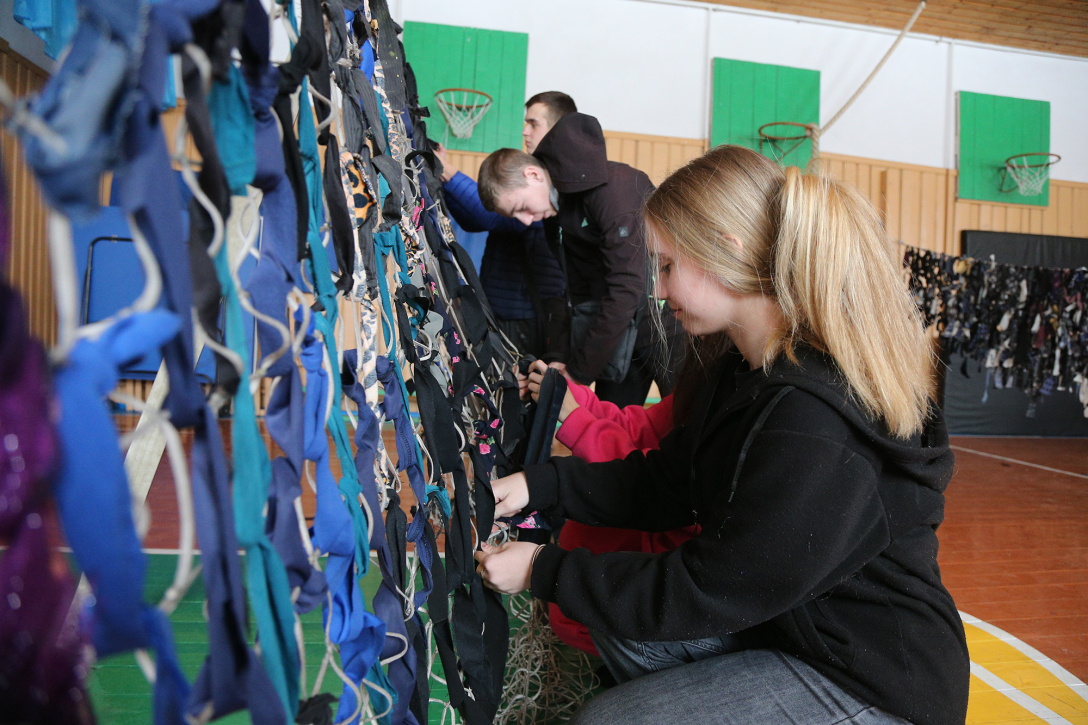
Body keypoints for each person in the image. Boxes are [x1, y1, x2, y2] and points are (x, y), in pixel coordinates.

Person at [475, 145, 971, 725]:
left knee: (608, 720)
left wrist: (543, 569)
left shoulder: (812, 420)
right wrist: (540, 484)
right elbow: (668, 482)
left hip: (871, 680)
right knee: (619, 624)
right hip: (793, 622)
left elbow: (709, 587)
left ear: (725, 254)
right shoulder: (739, 369)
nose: (657, 292)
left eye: (667, 267)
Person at [477, 113, 682, 407]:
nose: (525, 221)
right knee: (615, 434)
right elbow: (574, 292)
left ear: (533, 175)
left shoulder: (615, 191)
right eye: (516, 216)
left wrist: (578, 372)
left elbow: (626, 287)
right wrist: (561, 359)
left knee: (685, 424)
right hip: (618, 335)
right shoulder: (555, 213)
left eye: (522, 207)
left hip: (667, 325)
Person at [435, 92, 576, 358]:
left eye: (534, 123)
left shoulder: (553, 181)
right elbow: (478, 218)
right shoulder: (536, 173)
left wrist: (448, 171)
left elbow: (488, 216)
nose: (525, 131)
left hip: (527, 315)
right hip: (509, 308)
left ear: (558, 128)